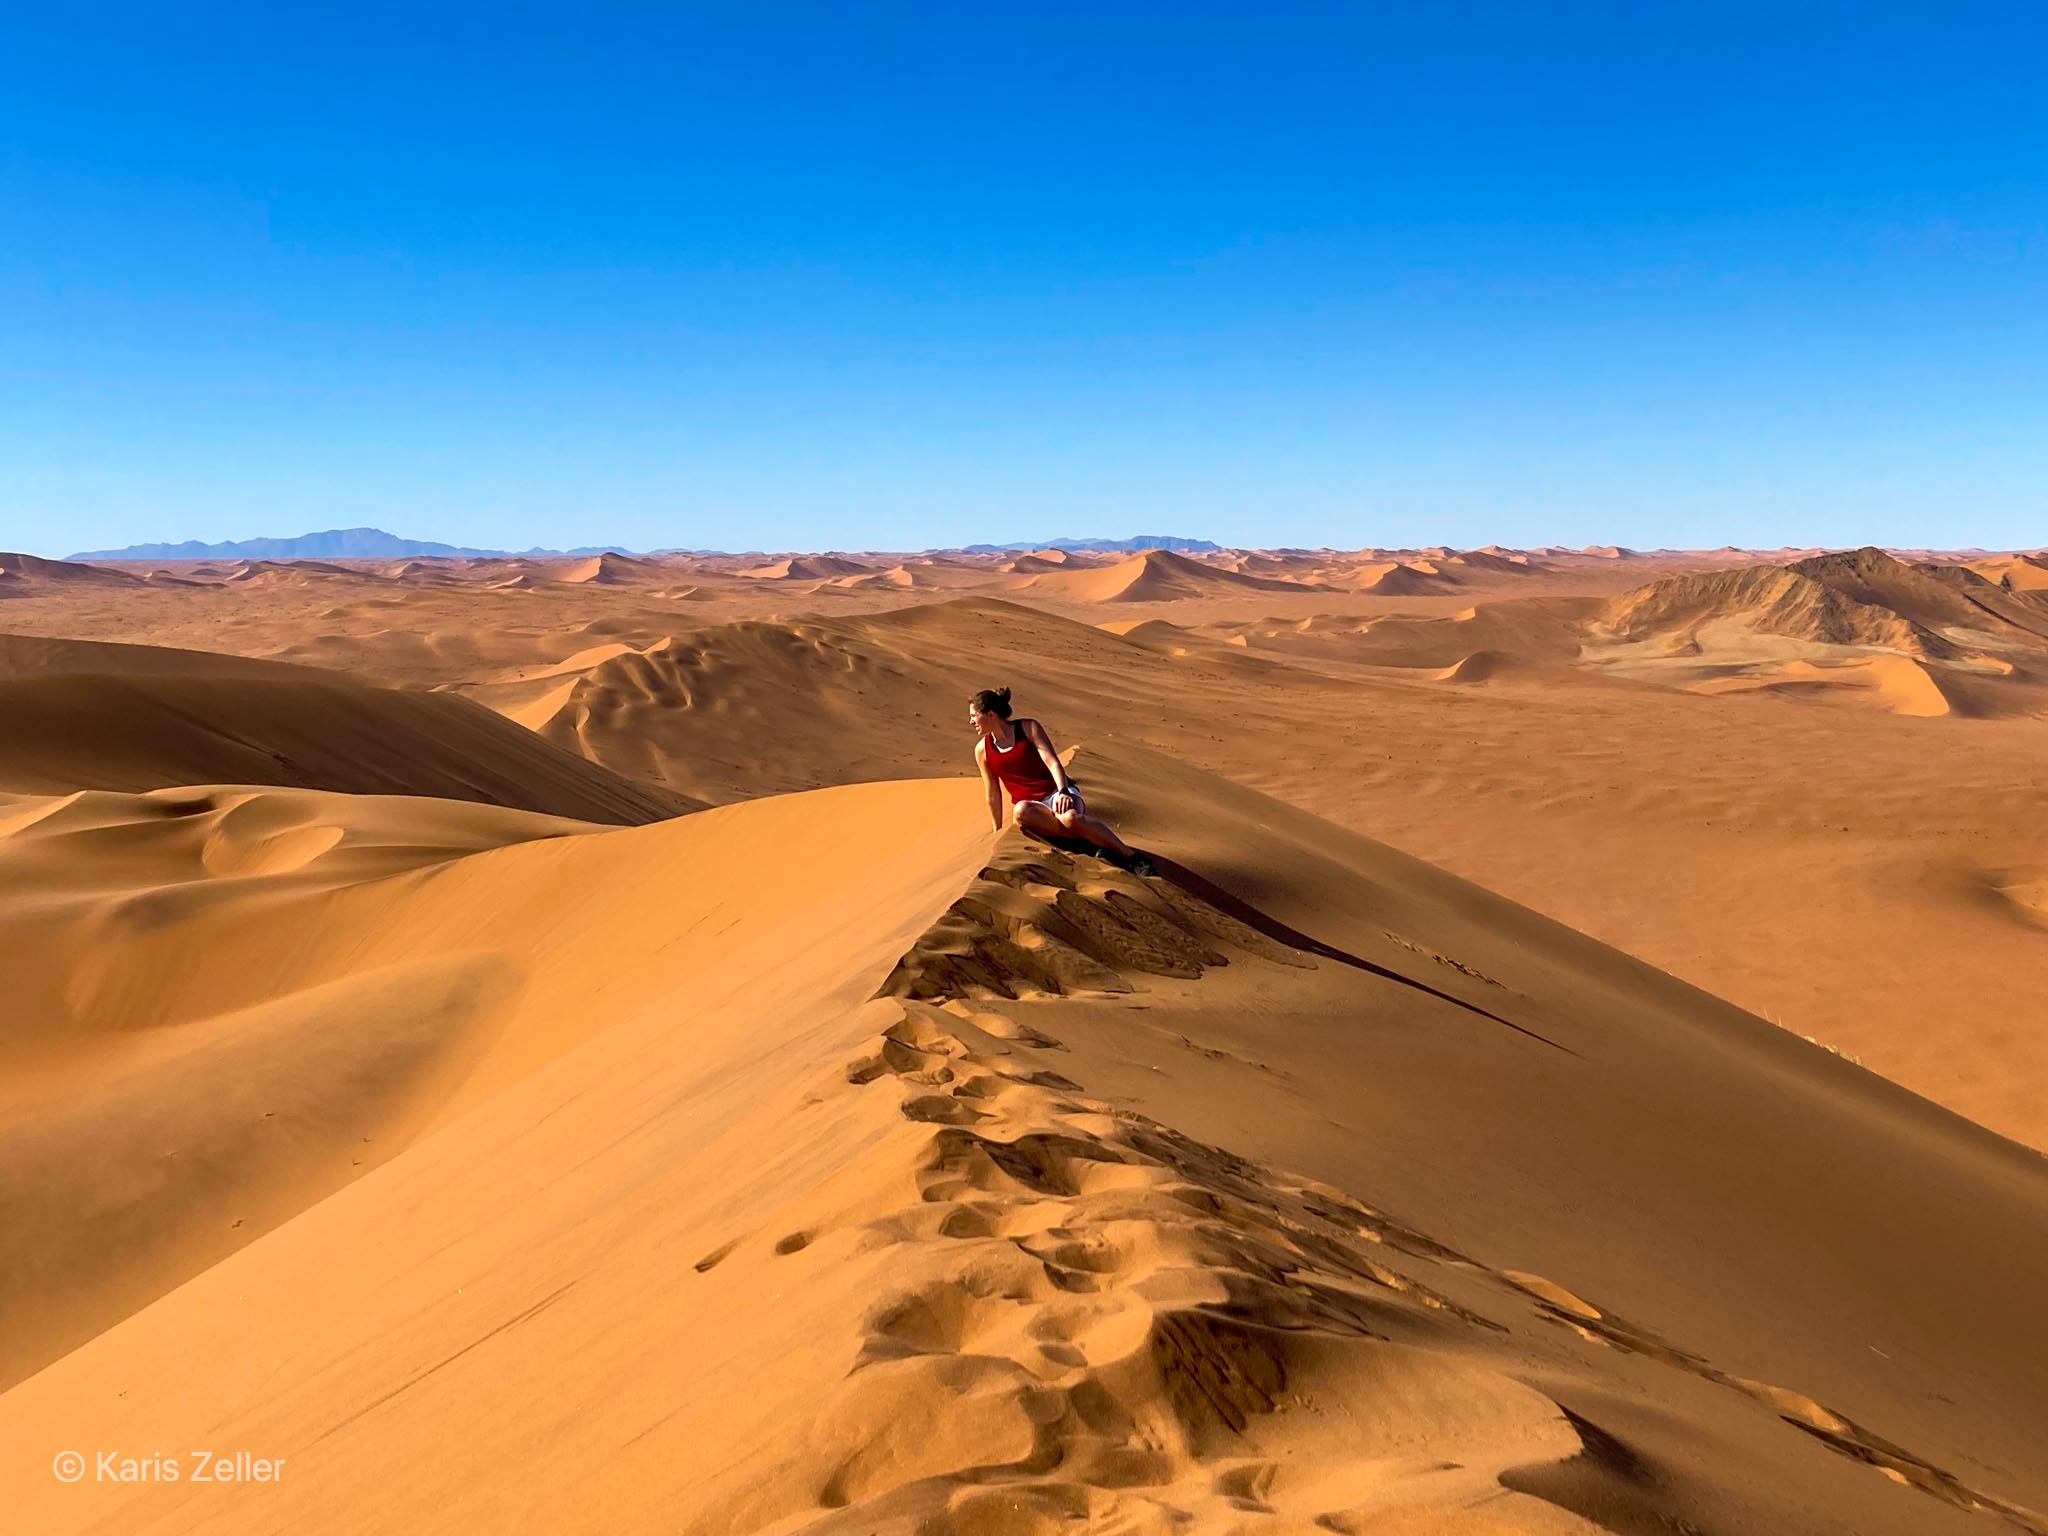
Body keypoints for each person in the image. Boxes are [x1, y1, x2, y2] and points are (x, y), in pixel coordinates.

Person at [969, 687, 1155, 875]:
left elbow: (1052, 762)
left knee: (1069, 818)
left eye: (974, 716)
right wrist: (997, 831)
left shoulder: (1027, 728)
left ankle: (1131, 857)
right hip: (1033, 808)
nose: (971, 721)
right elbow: (992, 793)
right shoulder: (982, 750)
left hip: (1056, 791)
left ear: (991, 714)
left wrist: (1063, 791)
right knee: (1020, 810)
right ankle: (1089, 843)